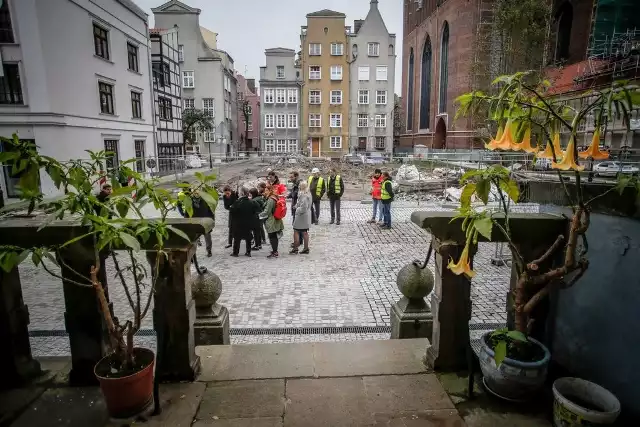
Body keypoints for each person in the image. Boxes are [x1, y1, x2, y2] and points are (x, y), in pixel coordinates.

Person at [177, 188, 215, 256]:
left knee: (208, 237)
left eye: (198, 193)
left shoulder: (205, 201)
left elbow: (210, 212)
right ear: (193, 194)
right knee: (193, 240)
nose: (196, 194)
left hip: (205, 223)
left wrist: (212, 220)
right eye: (195, 193)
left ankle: (209, 251)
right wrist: (186, 223)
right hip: (194, 224)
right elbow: (187, 213)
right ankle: (192, 254)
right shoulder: (189, 202)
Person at [229, 187, 260, 257]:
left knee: (237, 238)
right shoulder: (252, 202)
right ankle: (248, 252)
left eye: (239, 192)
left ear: (242, 193)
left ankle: (235, 252)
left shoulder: (237, 202)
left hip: (238, 223)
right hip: (248, 222)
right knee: (248, 237)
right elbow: (257, 209)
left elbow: (232, 212)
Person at [259, 184, 285, 258]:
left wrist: (259, 215)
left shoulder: (271, 199)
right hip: (275, 219)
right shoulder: (274, 197)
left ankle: (274, 251)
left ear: (270, 190)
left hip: (271, 220)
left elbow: (267, 211)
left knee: (272, 236)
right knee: (273, 235)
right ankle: (274, 250)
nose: (265, 192)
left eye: (266, 190)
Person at [290, 181, 311, 254]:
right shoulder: (306, 194)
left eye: (300, 185)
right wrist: (296, 206)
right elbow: (300, 203)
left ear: (302, 186)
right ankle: (306, 248)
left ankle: (295, 248)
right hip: (305, 216)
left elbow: (303, 207)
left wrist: (297, 210)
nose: (299, 186)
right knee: (304, 232)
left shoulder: (304, 195)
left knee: (296, 231)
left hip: (301, 216)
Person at [288, 171, 303, 246]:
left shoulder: (300, 184)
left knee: (297, 225)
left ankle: (298, 241)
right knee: (296, 224)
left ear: (296, 176)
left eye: (292, 177)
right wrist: (287, 195)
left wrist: (291, 194)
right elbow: (293, 193)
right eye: (290, 177)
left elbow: (296, 194)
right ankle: (299, 240)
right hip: (295, 207)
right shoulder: (295, 184)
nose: (290, 179)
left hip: (298, 208)